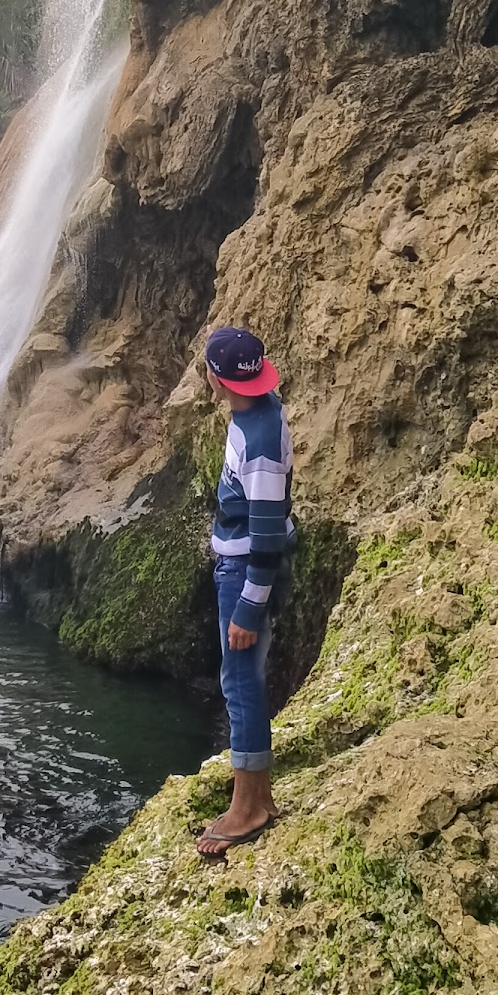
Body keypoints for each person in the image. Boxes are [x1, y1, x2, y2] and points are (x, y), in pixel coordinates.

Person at [196, 324, 294, 860]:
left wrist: (249, 606)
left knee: (239, 683)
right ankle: (254, 796)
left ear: (216, 379)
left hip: (244, 576)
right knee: (242, 679)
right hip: (239, 569)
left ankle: (250, 807)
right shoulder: (263, 411)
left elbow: (268, 532)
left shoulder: (256, 442)